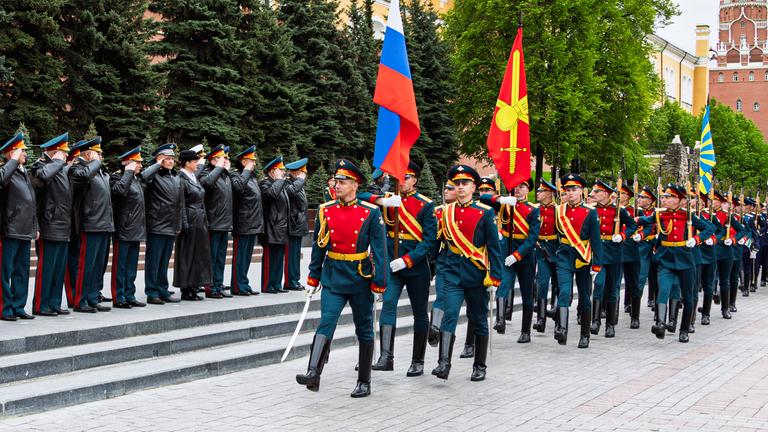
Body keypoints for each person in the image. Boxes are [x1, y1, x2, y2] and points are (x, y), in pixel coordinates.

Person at [296, 159, 387, 398]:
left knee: (364, 329)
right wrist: (313, 276)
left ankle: (364, 380)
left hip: (359, 277)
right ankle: (313, 372)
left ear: (355, 185)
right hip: (334, 276)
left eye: (343, 181)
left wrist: (380, 282)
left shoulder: (371, 212)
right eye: (336, 181)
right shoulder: (326, 210)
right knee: (326, 322)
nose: (337, 185)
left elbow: (380, 251)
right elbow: (318, 247)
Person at [361, 161, 436, 377]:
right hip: (392, 265)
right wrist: (382, 199)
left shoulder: (426, 205)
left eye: (407, 177)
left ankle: (418, 360)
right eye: (399, 177)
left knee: (419, 312)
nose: (401, 182)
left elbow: (428, 241)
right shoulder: (389, 200)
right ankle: (386, 356)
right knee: (389, 306)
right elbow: (362, 197)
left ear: (415, 180)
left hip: (415, 267)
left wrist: (409, 260)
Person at [431, 164, 502, 382]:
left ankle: (479, 365)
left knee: (479, 319)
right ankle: (443, 363)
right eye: (457, 184)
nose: (460, 188)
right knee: (449, 316)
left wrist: (495, 276)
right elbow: (438, 243)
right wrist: (431, 267)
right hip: (452, 273)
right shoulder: (444, 212)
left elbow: (494, 248)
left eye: (465, 183)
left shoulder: (485, 212)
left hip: (477, 275)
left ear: (474, 187)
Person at [635, 184, 714, 342]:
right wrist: (633, 219)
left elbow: (709, 228)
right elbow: (642, 220)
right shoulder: (660, 215)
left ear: (679, 200)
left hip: (685, 258)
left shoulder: (689, 216)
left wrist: (696, 239)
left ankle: (684, 329)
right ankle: (661, 323)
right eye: (664, 196)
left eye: (668, 197)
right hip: (666, 258)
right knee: (663, 290)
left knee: (688, 296)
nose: (664, 199)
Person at [482, 178, 540, 343]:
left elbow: (532, 238)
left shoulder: (533, 210)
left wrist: (517, 255)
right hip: (506, 252)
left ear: (528, 190)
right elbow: (482, 198)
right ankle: (500, 320)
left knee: (527, 294)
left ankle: (525, 331)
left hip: (525, 256)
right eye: (515, 186)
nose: (518, 189)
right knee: (503, 284)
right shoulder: (504, 205)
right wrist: (500, 199)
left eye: (522, 187)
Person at [553, 174, 603, 348]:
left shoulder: (590, 212)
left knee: (584, 297)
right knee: (564, 292)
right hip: (564, 255)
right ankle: (563, 329)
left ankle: (585, 334)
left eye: (574, 189)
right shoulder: (559, 210)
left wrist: (596, 264)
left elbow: (595, 239)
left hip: (583, 257)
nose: (571, 193)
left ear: (581, 191)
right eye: (568, 190)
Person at [68, 136, 113, 313]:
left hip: (104, 223)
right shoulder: (77, 168)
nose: (100, 156)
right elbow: (83, 177)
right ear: (88, 154)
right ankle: (80, 299)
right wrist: (94, 163)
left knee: (97, 266)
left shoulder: (99, 171)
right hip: (90, 223)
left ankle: (93, 297)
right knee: (85, 265)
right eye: (97, 153)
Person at [30, 132, 72, 316]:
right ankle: (40, 305)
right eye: (63, 153)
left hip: (64, 225)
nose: (66, 156)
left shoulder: (60, 168)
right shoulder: (40, 166)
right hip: (49, 224)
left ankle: (54, 303)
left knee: (58, 268)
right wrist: (56, 161)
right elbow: (42, 179)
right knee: (46, 268)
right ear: (55, 152)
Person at [589, 179, 636, 339]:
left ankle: (610, 324)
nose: (594, 194)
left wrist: (622, 236)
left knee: (612, 289)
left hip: (614, 252)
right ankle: (595, 321)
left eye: (597, 192)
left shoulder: (619, 211)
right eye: (594, 192)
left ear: (607, 194)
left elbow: (632, 226)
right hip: (598, 253)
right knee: (598, 284)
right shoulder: (591, 210)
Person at [0, 132, 38, 321]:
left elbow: (31, 202)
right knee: (5, 271)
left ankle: (18, 306)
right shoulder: (6, 171)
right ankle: (4, 308)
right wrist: (12, 162)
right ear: (11, 153)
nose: (25, 153)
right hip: (10, 228)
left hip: (24, 229)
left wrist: (35, 226)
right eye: (21, 150)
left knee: (22, 271)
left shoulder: (23, 173)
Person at [141, 143, 184, 304]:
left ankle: (162, 289)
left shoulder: (175, 177)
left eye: (173, 158)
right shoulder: (154, 176)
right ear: (159, 159)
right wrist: (157, 164)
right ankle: (152, 292)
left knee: (165, 260)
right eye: (167, 158)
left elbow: (179, 203)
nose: (171, 161)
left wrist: (179, 224)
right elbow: (143, 177)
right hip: (157, 224)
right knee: (154, 260)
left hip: (171, 225)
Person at [110, 146, 152, 308]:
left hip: (136, 228)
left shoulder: (136, 179)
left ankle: (129, 294)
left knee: (131, 266)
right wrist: (127, 172)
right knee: (120, 266)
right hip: (123, 228)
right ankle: (119, 296)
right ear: (127, 163)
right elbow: (119, 192)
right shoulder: (117, 178)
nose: (140, 165)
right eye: (137, 162)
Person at [260, 156, 304, 293]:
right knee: (270, 258)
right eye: (280, 170)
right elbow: (271, 195)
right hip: (271, 227)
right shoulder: (265, 183)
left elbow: (290, 193)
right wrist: (279, 180)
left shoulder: (281, 184)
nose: (283, 172)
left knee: (278, 258)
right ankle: (268, 285)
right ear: (273, 171)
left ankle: (276, 284)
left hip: (282, 227)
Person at [174, 149, 212, 301]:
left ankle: (194, 285)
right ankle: (186, 288)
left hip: (199, 219)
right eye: (195, 161)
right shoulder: (181, 178)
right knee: (187, 255)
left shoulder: (192, 176)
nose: (198, 164)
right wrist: (183, 224)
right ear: (187, 163)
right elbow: (181, 203)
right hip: (189, 219)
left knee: (198, 255)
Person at [199, 144, 234, 299]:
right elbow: (206, 184)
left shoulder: (225, 175)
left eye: (226, 158)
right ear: (213, 160)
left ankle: (218, 285)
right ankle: (210, 286)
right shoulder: (207, 173)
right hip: (212, 223)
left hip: (225, 223)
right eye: (222, 158)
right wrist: (219, 168)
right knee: (211, 258)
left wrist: (223, 169)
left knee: (220, 259)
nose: (226, 161)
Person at [229, 146, 263, 296]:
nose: (254, 163)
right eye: (251, 161)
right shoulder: (236, 176)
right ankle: (237, 286)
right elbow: (237, 188)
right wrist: (247, 170)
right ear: (243, 162)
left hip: (253, 222)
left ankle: (244, 282)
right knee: (240, 257)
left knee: (247, 256)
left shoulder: (251, 178)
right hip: (243, 222)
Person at [428, 180, 457, 347]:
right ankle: (435, 327)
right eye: (445, 187)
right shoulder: (438, 212)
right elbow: (434, 241)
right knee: (441, 293)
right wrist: (430, 264)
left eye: (450, 188)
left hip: (466, 260)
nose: (446, 191)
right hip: (445, 257)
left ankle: (471, 342)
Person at [533, 179, 559, 333]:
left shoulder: (558, 210)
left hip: (556, 250)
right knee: (542, 283)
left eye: (541, 191)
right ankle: (541, 318)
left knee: (558, 284)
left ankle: (556, 312)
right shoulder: (535, 210)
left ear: (550, 193)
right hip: (542, 250)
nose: (538, 193)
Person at [284, 158, 309, 291]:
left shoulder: (298, 183)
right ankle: (290, 281)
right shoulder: (289, 183)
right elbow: (289, 193)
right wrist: (299, 180)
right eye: (302, 173)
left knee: (295, 254)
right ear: (296, 172)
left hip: (298, 223)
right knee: (291, 255)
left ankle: (295, 279)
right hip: (293, 224)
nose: (304, 175)